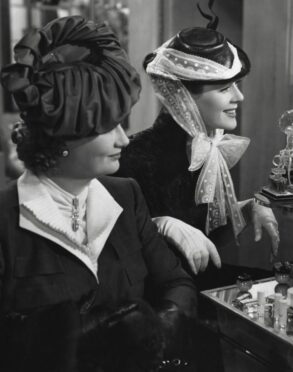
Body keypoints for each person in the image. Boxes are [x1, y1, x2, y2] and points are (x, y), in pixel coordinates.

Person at [0, 16, 196, 372]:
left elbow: (176, 283)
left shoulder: (125, 196)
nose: (123, 139)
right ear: (64, 135)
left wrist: (161, 327)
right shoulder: (5, 220)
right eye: (109, 127)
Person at [116, 7, 279, 289]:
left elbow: (206, 244)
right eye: (225, 88)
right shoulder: (133, 157)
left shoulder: (205, 150)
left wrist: (248, 209)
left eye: (236, 85)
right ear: (183, 97)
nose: (239, 97)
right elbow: (117, 251)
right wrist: (159, 225)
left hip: (198, 285)